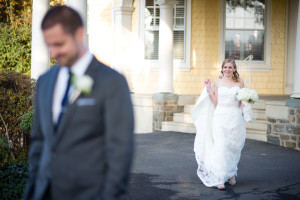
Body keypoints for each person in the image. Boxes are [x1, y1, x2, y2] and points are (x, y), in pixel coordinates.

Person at [24, 6, 134, 200]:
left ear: (79, 33)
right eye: (49, 45)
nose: (53, 52)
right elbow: (40, 142)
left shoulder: (112, 82)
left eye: (59, 44)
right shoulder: (45, 81)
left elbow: (120, 149)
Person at [192, 58, 246, 190]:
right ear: (222, 69)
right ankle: (220, 177)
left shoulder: (240, 82)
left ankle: (231, 173)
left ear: (234, 69)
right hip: (220, 117)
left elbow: (241, 101)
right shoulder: (217, 81)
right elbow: (216, 102)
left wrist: (245, 103)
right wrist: (208, 88)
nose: (227, 70)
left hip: (235, 117)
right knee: (221, 146)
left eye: (230, 67)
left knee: (233, 147)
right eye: (225, 67)